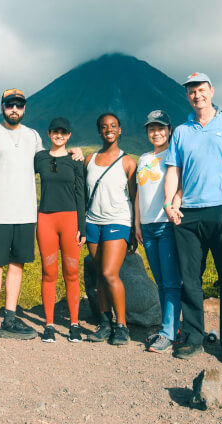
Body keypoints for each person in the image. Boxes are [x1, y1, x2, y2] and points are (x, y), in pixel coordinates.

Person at [0, 88, 84, 349]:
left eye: (18, 105)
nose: (14, 109)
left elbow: (50, 159)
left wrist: (76, 155)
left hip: (26, 213)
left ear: (25, 108)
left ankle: (9, 320)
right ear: (3, 107)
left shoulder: (33, 137)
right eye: (10, 105)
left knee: (17, 265)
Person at [163, 72, 222, 361]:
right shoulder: (181, 131)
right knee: (189, 279)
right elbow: (173, 170)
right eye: (191, 91)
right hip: (187, 214)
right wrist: (170, 202)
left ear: (211, 91)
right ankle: (192, 337)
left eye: (201, 89)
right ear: (187, 95)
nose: (196, 95)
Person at [84, 113, 138, 346]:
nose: (109, 129)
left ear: (120, 130)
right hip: (93, 222)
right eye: (104, 126)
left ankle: (122, 326)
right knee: (99, 275)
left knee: (109, 273)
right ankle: (105, 324)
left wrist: (136, 229)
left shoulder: (128, 162)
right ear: (99, 130)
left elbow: (135, 198)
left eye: (113, 126)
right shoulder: (89, 160)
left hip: (118, 221)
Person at [33, 117, 86, 343]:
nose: (59, 135)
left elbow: (81, 193)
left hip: (70, 219)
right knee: (49, 273)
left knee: (72, 273)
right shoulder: (40, 158)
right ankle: (49, 325)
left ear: (69, 135)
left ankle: (74, 324)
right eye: (55, 131)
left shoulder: (75, 160)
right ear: (48, 133)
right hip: (45, 219)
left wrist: (82, 227)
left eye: (63, 132)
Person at [134, 110, 182, 353]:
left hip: (166, 224)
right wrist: (137, 223)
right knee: (161, 282)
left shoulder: (174, 156)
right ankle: (170, 327)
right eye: (152, 128)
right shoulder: (143, 158)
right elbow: (138, 195)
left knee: (171, 281)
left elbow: (180, 187)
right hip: (148, 226)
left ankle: (168, 332)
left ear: (169, 130)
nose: (156, 132)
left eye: (161, 128)